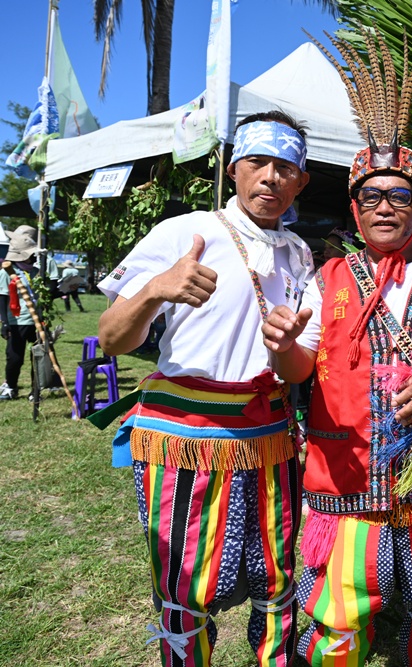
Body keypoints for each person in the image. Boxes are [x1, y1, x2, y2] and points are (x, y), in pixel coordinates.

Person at [262, 29, 412, 666]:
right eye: (372, 196)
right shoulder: (327, 277)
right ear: (356, 208)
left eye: (401, 196)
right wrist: (284, 346)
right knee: (339, 614)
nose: (385, 207)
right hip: (344, 472)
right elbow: (299, 367)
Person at [96, 110, 313, 667]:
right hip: (185, 435)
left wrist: (286, 345)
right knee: (183, 578)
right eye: (257, 163)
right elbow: (112, 338)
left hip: (268, 433)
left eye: (285, 167)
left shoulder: (299, 253)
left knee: (278, 571)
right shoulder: (185, 232)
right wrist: (154, 291)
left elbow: (295, 369)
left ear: (301, 181)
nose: (270, 177)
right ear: (233, 168)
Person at [0, 229, 41, 401]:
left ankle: (36, 389)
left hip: (37, 321)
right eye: (31, 255)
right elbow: (2, 298)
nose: (34, 258)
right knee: (15, 357)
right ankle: (11, 386)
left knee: (38, 356)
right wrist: (4, 322)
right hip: (16, 321)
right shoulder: (7, 272)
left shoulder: (36, 271)